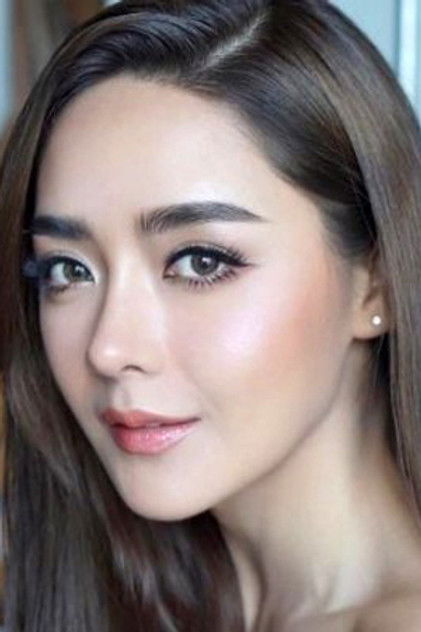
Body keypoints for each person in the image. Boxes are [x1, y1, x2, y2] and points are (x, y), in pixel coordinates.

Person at [1, 1, 421, 630]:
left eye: (199, 262)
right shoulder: (101, 592)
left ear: (376, 284)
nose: (108, 348)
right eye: (68, 269)